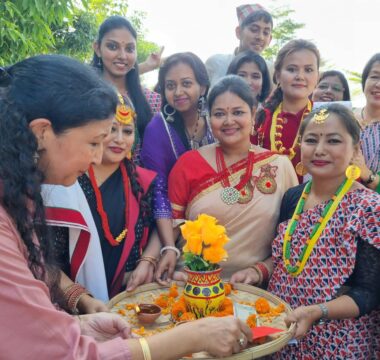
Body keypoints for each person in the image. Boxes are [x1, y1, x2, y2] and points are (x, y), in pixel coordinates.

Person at [0, 55, 253, 359]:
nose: (97, 157)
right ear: (42, 133)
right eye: (95, 142)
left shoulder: (18, 196)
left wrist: (78, 325)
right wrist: (192, 337)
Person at [264, 104, 379, 359]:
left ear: (355, 150)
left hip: (338, 340)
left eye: (334, 141)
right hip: (283, 330)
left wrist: (317, 311)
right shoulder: (293, 198)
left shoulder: (369, 209)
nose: (319, 150)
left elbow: (369, 292)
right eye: (311, 140)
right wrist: (256, 271)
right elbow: (285, 259)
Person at [168, 75, 298, 281]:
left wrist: (260, 270)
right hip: (189, 283)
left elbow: (295, 239)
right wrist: (158, 259)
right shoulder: (188, 163)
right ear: (209, 119)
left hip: (251, 290)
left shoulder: (279, 166)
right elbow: (169, 229)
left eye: (238, 112)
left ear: (254, 114)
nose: (229, 121)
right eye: (219, 114)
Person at [44, 94, 161, 306]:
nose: (119, 139)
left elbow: (157, 229)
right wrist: (80, 299)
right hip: (67, 301)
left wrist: (147, 261)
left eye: (127, 131)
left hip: (126, 296)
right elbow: (41, 253)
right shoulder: (66, 177)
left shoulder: (142, 181)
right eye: (111, 129)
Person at [141, 52, 215, 283]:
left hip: (216, 220)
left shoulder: (217, 119)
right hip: (169, 224)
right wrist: (169, 247)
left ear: (202, 87)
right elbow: (159, 191)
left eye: (187, 84)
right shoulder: (158, 128)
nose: (178, 92)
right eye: (170, 86)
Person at [92, 15, 158, 161]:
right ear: (97, 48)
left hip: (135, 181)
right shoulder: (83, 93)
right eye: (113, 46)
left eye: (129, 49)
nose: (122, 56)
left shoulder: (152, 100)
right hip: (85, 178)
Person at [253, 39, 320, 181]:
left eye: (308, 70)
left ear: (317, 77)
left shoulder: (328, 119)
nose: (300, 76)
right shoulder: (259, 119)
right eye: (291, 69)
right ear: (277, 75)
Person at [206, 4, 273, 87]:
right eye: (254, 30)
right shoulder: (216, 63)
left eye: (266, 33)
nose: (260, 37)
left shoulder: (271, 69)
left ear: (270, 39)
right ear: (239, 32)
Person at [352, 53, 380, 193]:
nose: (378, 84)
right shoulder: (344, 115)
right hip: (328, 202)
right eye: (375, 76)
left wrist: (366, 173)